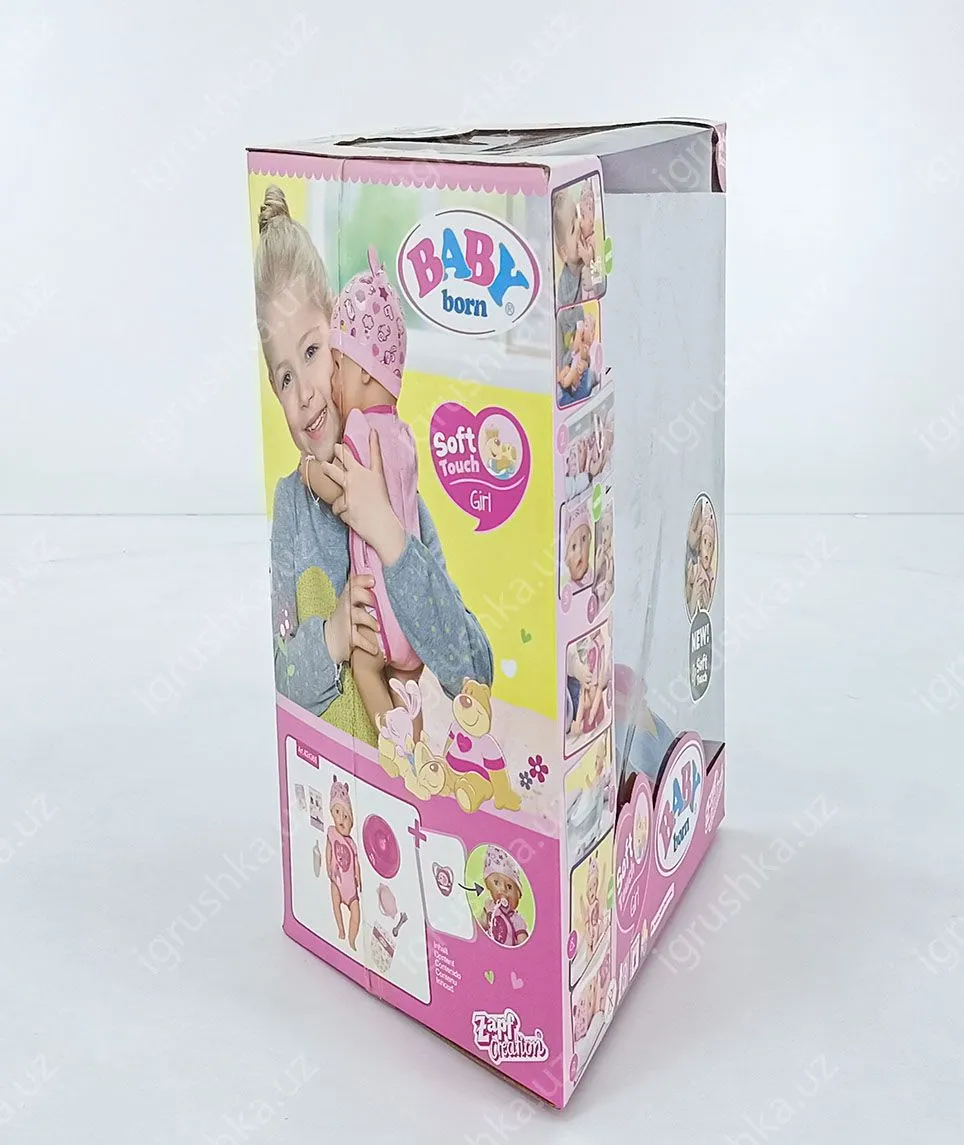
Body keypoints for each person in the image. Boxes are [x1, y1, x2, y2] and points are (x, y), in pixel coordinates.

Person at [254, 185, 492, 747]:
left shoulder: (397, 485)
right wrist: (333, 636)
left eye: (313, 352)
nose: (305, 394)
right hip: (331, 789)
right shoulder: (292, 508)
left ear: (344, 348)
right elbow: (283, 680)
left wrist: (387, 532)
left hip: (401, 790)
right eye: (285, 377)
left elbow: (473, 670)